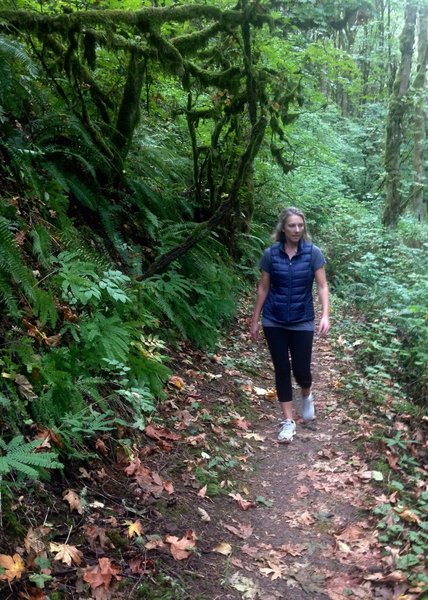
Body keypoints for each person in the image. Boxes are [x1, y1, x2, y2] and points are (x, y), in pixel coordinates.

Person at [250, 207, 330, 443]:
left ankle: (306, 395)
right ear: (283, 228)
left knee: (302, 371)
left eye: (300, 225)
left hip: (302, 319)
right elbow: (263, 287)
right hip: (273, 319)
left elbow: (323, 286)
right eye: (292, 226)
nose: (296, 230)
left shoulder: (313, 253)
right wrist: (254, 318)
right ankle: (287, 421)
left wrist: (326, 314)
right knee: (282, 369)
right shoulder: (271, 254)